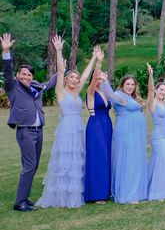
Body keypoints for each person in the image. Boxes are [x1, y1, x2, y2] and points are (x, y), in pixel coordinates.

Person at [36, 37, 99, 208]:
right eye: (72, 77)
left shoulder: (77, 92)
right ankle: (62, 194)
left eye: (76, 78)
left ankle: (75, 191)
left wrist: (93, 58)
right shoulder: (61, 92)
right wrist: (58, 51)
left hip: (78, 128)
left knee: (77, 159)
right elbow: (61, 69)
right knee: (65, 159)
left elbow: (86, 75)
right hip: (66, 128)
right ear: (66, 79)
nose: (75, 79)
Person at [2, 32, 58, 212]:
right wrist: (6, 51)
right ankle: (19, 203)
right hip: (25, 132)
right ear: (18, 75)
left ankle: (25, 197)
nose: (26, 77)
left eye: (29, 75)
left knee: (32, 166)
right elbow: (7, 71)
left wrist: (60, 58)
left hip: (38, 131)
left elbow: (51, 82)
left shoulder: (36, 88)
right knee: (29, 166)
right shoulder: (13, 86)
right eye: (23, 74)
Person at [99, 71, 147, 204]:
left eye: (132, 84)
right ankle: (127, 194)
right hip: (126, 132)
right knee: (128, 161)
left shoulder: (132, 98)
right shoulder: (119, 96)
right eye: (128, 84)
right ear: (122, 85)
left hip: (136, 134)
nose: (130, 86)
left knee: (135, 161)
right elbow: (110, 95)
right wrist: (105, 81)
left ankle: (136, 191)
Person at [84, 46, 112, 204]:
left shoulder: (105, 92)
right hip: (96, 126)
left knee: (107, 157)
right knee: (98, 158)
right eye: (98, 79)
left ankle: (106, 191)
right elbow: (94, 78)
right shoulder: (91, 91)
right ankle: (96, 194)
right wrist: (98, 63)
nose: (100, 80)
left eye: (102, 78)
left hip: (107, 125)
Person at [147, 62, 165, 201]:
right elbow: (151, 90)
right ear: (156, 91)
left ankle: (162, 187)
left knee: (162, 163)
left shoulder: (163, 102)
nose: (163, 92)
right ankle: (157, 192)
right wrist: (151, 75)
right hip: (158, 138)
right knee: (162, 161)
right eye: (161, 90)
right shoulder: (153, 103)